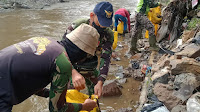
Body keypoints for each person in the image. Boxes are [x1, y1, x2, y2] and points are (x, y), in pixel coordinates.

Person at [0, 24, 100, 112]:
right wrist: (84, 106)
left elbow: (27, 78)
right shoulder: (63, 64)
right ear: (81, 54)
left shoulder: (45, 41)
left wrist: (52, 93)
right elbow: (57, 109)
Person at [62, 1, 114, 97]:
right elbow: (61, 50)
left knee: (95, 96)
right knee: (69, 97)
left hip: (90, 66)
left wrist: (100, 82)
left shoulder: (108, 34)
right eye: (100, 23)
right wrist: (73, 72)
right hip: (72, 65)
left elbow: (106, 57)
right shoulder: (77, 25)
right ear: (92, 16)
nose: (102, 27)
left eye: (105, 24)